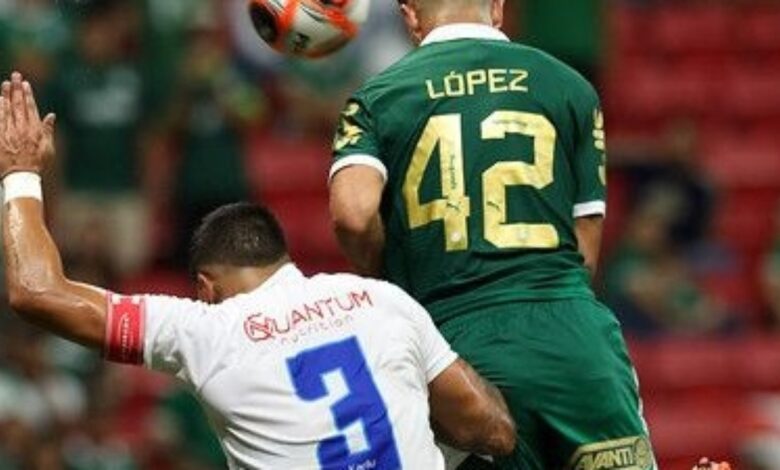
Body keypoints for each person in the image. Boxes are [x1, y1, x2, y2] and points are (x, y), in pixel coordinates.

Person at [0, 72, 515, 469]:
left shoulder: (208, 332)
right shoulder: (381, 300)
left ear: (205, 288)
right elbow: (493, 430)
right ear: (282, 256)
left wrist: (19, 171)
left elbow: (36, 292)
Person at [328, 0, 656, 468]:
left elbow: (353, 215)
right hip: (574, 338)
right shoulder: (570, 86)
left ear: (410, 17)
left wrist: (393, 288)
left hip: (457, 349)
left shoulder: (377, 99)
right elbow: (585, 243)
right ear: (498, 9)